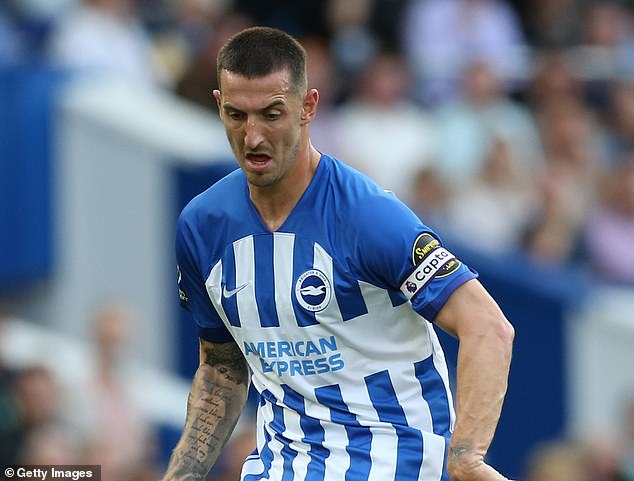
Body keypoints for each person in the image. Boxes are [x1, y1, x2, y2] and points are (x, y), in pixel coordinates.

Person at [163, 26, 515, 481]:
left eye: (271, 115)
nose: (252, 137)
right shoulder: (202, 227)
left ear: (308, 106)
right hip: (278, 466)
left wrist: (467, 457)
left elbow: (488, 326)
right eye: (236, 115)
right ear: (218, 106)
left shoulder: (369, 216)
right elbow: (222, 368)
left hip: (393, 461)